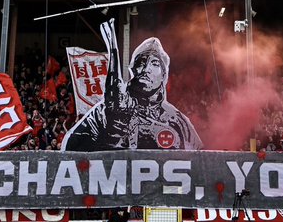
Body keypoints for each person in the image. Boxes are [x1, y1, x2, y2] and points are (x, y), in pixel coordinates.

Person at [61, 20, 201, 151]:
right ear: (133, 70)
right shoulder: (104, 112)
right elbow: (69, 150)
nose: (146, 69)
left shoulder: (177, 120)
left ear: (164, 74)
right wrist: (105, 134)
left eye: (154, 63)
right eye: (140, 63)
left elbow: (201, 159)